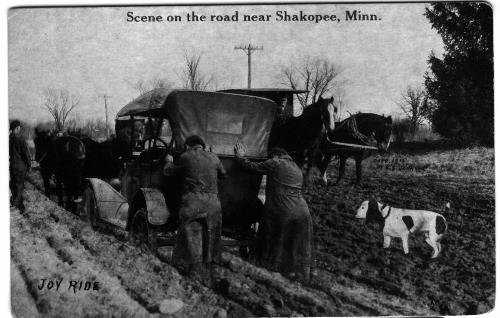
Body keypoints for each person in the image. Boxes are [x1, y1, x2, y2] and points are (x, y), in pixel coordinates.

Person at [234, 143, 313, 282]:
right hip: (303, 211)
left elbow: (251, 167)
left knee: (271, 234)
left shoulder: (275, 162)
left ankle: (269, 267)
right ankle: (299, 274)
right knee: (298, 243)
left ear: (275, 155)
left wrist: (240, 156)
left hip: (284, 209)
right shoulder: (296, 167)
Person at [163, 135, 226, 281]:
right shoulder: (214, 157)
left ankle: (191, 270)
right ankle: (212, 270)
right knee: (212, 235)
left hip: (193, 203)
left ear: (187, 146)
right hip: (213, 204)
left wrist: (168, 161)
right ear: (203, 146)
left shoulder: (185, 156)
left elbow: (168, 172)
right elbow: (224, 174)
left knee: (189, 235)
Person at [9, 120, 31, 211]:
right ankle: (16, 204)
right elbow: (26, 154)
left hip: (11, 166)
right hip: (20, 167)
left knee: (13, 184)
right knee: (20, 186)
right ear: (17, 128)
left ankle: (14, 200)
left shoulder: (9, 138)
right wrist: (29, 165)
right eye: (19, 128)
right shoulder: (21, 139)